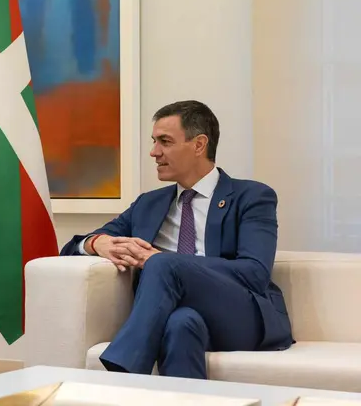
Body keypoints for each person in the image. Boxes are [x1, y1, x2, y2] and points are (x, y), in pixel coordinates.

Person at [61, 100, 293, 379]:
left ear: (199, 145)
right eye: (154, 141)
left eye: (165, 142)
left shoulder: (252, 197)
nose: (154, 152)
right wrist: (96, 243)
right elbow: (71, 247)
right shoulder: (149, 204)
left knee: (162, 263)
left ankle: (121, 375)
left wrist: (168, 263)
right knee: (180, 324)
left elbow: (255, 274)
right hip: (183, 315)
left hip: (241, 315)